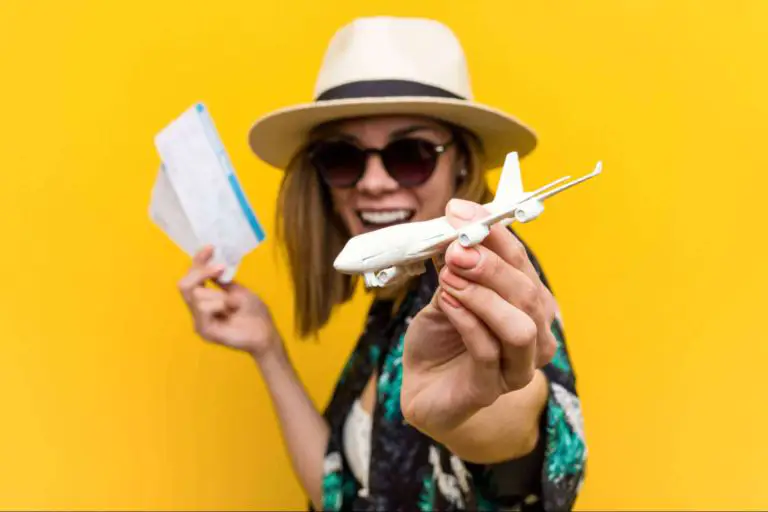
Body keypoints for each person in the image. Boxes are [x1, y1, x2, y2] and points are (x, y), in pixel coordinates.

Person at [177, 16, 587, 512]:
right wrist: (268, 350)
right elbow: (342, 493)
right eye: (342, 158)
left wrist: (478, 398)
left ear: (461, 162)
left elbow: (519, 432)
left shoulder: (485, 271)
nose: (373, 182)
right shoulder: (391, 308)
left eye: (410, 154)